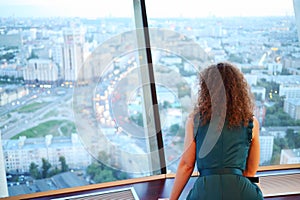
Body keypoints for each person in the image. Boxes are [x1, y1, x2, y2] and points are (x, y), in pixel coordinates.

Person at [169, 62, 263, 200]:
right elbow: (250, 172)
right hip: (241, 191)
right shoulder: (251, 123)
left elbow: (187, 166)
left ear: (206, 90)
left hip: (205, 192)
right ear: (238, 91)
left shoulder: (195, 121)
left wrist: (172, 199)